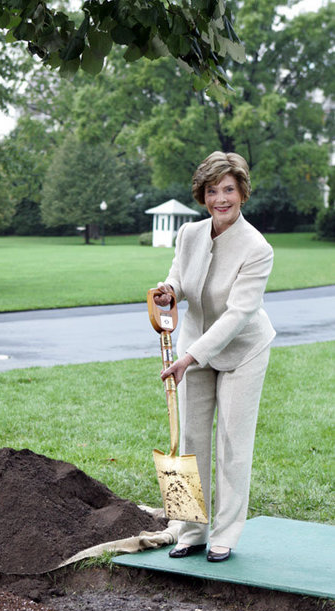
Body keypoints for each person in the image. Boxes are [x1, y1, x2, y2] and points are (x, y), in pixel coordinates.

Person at [154, 151, 275, 562]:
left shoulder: (257, 248)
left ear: (241, 192)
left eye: (228, 189)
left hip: (242, 350)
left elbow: (239, 314)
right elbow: (180, 278)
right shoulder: (189, 234)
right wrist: (169, 290)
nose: (220, 198)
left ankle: (225, 533)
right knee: (189, 438)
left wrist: (190, 357)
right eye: (212, 190)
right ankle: (190, 529)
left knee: (232, 444)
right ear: (202, 195)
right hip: (193, 343)